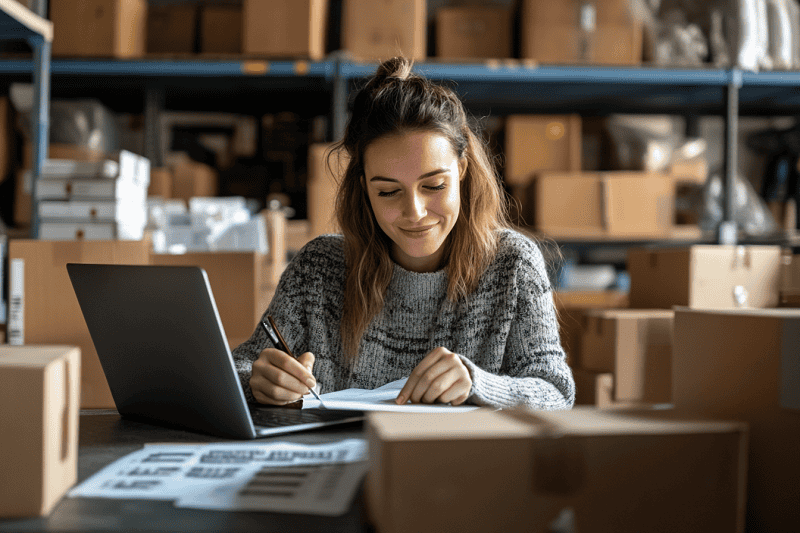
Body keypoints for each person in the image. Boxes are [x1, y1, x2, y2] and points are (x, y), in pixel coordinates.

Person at [233, 57, 575, 410]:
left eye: (434, 185)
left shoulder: (513, 264)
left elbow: (556, 391)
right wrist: (257, 381)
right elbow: (239, 369)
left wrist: (479, 383)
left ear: (462, 168)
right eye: (388, 191)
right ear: (364, 186)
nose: (415, 212)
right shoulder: (318, 267)